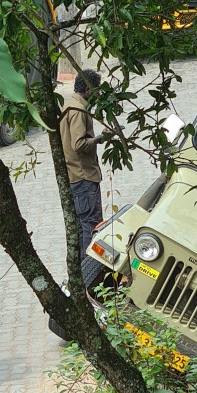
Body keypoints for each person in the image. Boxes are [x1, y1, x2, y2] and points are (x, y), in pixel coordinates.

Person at [59, 68, 108, 260]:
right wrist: (100, 138)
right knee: (91, 226)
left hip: (75, 175)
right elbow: (78, 144)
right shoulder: (79, 110)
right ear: (88, 90)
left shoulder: (69, 104)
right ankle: (90, 271)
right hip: (83, 176)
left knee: (82, 228)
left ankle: (82, 272)